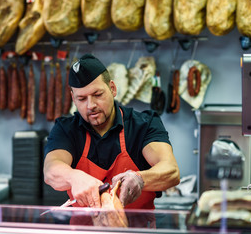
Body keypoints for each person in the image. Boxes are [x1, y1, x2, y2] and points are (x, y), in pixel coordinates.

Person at [43, 54, 180, 210]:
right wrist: (74, 177)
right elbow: (51, 170)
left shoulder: (144, 124)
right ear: (73, 99)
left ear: (112, 89)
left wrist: (139, 178)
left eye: (97, 95)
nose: (90, 105)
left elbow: (171, 171)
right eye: (82, 99)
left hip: (137, 229)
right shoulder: (66, 129)